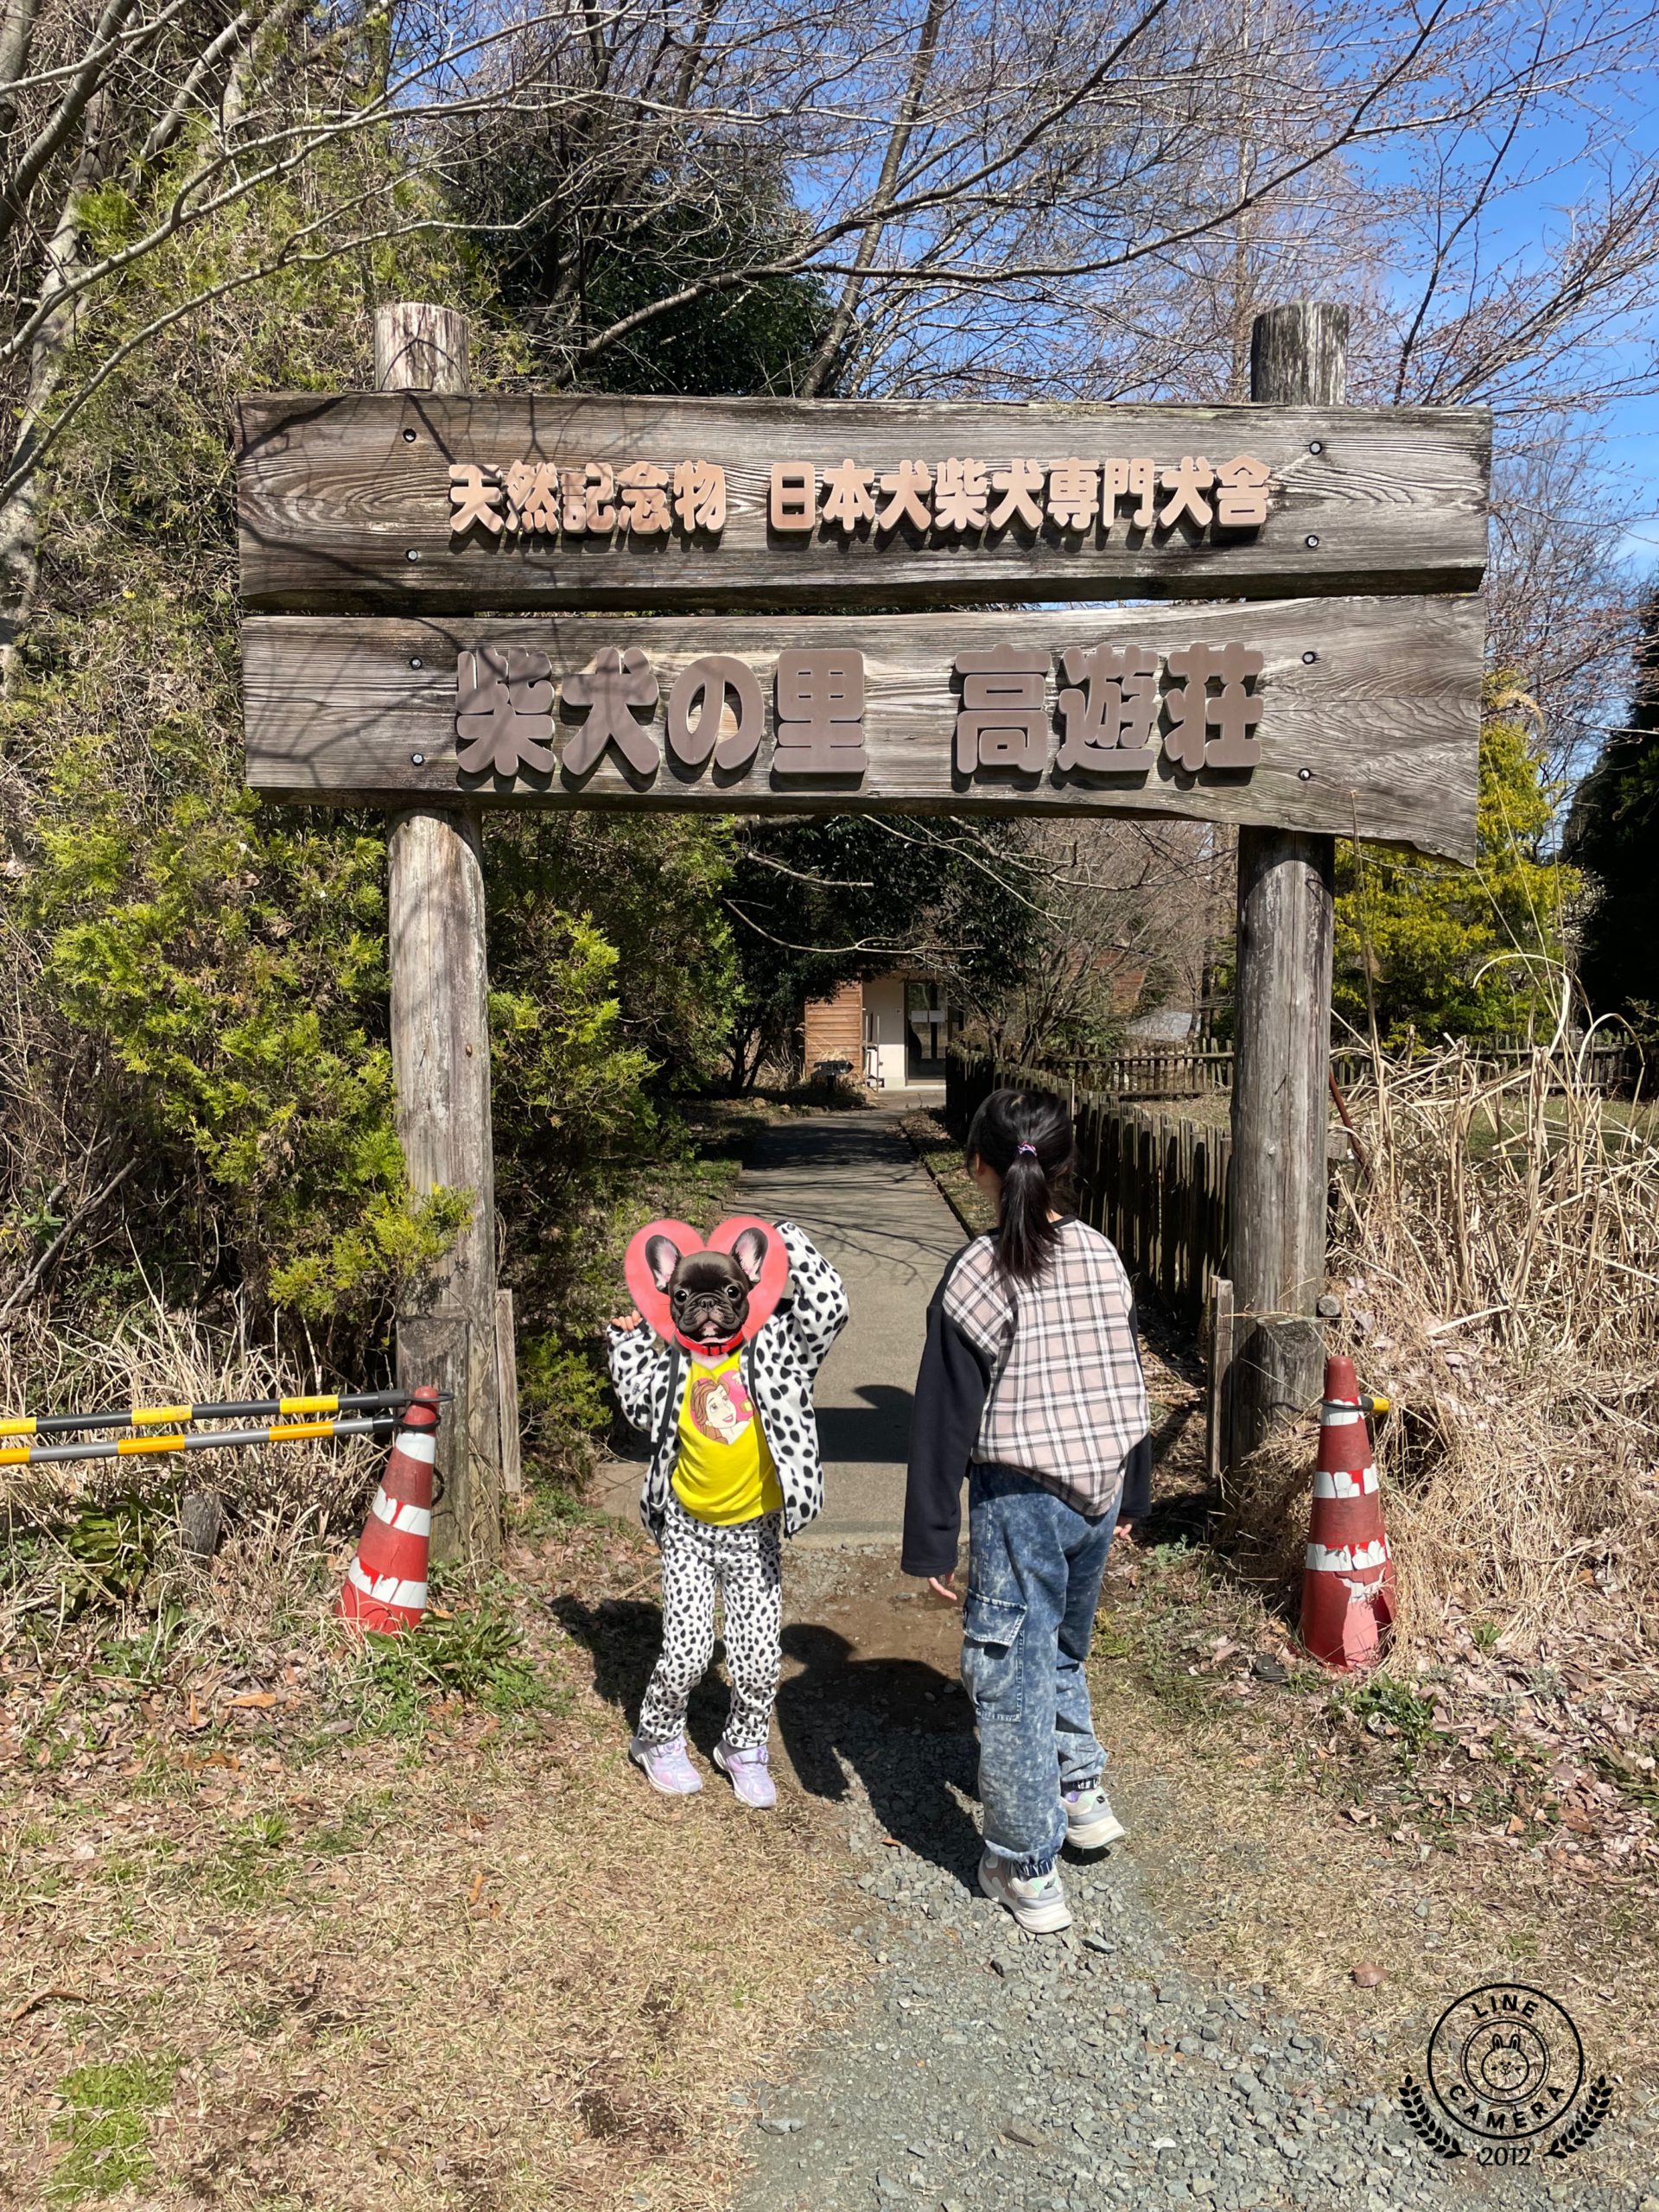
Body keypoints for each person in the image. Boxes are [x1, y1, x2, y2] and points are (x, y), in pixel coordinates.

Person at [903, 1087, 1150, 1933]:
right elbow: (1124, 1375)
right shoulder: (1100, 1252)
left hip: (1022, 1499)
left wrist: (935, 1535)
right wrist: (1135, 1488)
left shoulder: (977, 1271)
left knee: (1010, 1675)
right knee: (1061, 1650)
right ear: (1066, 1164)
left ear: (978, 1166)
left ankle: (1025, 1861)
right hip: (1098, 1488)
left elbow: (943, 1412)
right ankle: (1079, 1788)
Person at [607, 1217, 848, 1808]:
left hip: (755, 1531)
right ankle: (656, 1737)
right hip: (688, 1528)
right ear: (666, 1288)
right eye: (687, 1297)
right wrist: (627, 1341)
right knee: (688, 1653)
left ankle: (743, 1747)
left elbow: (831, 1308)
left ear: (754, 1285)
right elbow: (638, 1406)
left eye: (730, 1294)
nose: (709, 1309)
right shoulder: (671, 1362)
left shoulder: (778, 1353)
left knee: (760, 1658)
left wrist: (786, 1236)